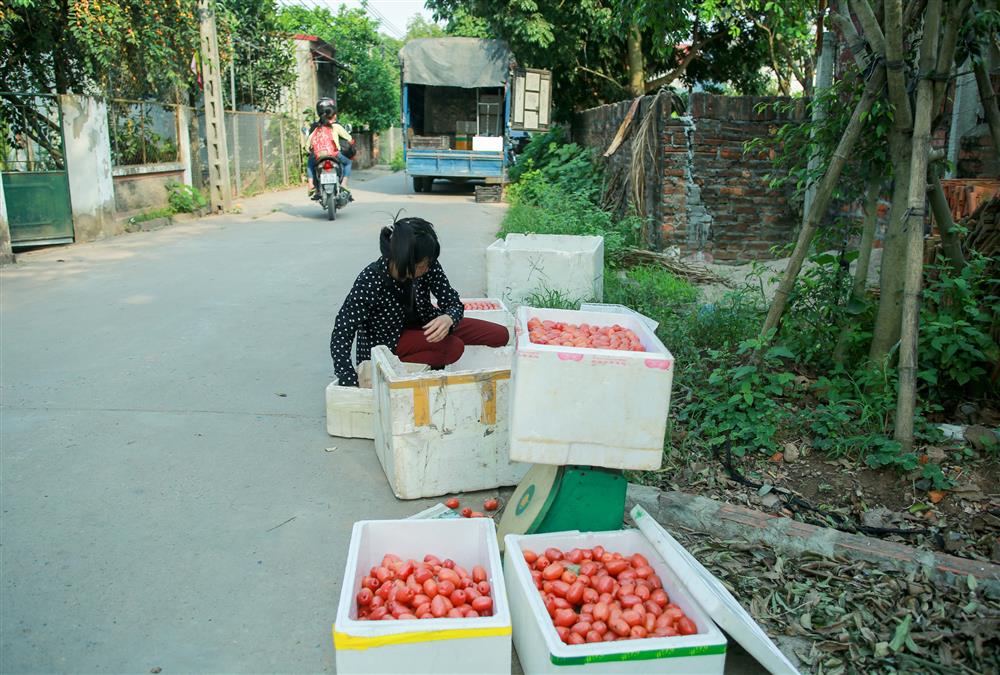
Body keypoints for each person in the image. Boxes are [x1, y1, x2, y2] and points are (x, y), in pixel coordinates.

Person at [330, 217, 509, 386]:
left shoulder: (428, 266)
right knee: (453, 347)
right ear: (404, 260)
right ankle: (397, 369)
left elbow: (452, 301)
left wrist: (449, 319)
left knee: (500, 335)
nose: (427, 268)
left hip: (426, 325)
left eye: (429, 263)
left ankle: (428, 358)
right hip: (389, 342)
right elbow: (342, 331)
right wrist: (349, 379)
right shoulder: (371, 279)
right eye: (422, 265)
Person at [306, 98, 355, 198]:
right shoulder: (336, 126)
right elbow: (348, 138)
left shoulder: (316, 128)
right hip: (334, 154)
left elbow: (308, 144)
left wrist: (308, 150)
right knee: (348, 162)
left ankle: (310, 184)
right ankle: (344, 183)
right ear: (333, 115)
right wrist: (351, 142)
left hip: (318, 155)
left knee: (309, 165)